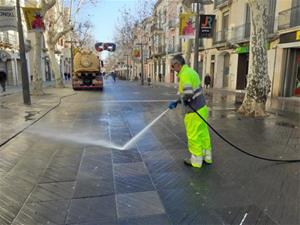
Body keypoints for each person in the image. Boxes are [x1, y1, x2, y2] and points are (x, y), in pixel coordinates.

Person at [168, 54, 212, 168]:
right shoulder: (191, 72)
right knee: (203, 134)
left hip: (194, 112)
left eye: (173, 66)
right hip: (202, 108)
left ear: (177, 64)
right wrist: (177, 102)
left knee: (193, 135)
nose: (172, 69)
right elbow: (190, 91)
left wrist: (182, 100)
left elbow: (188, 93)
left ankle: (196, 161)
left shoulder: (185, 75)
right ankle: (207, 157)